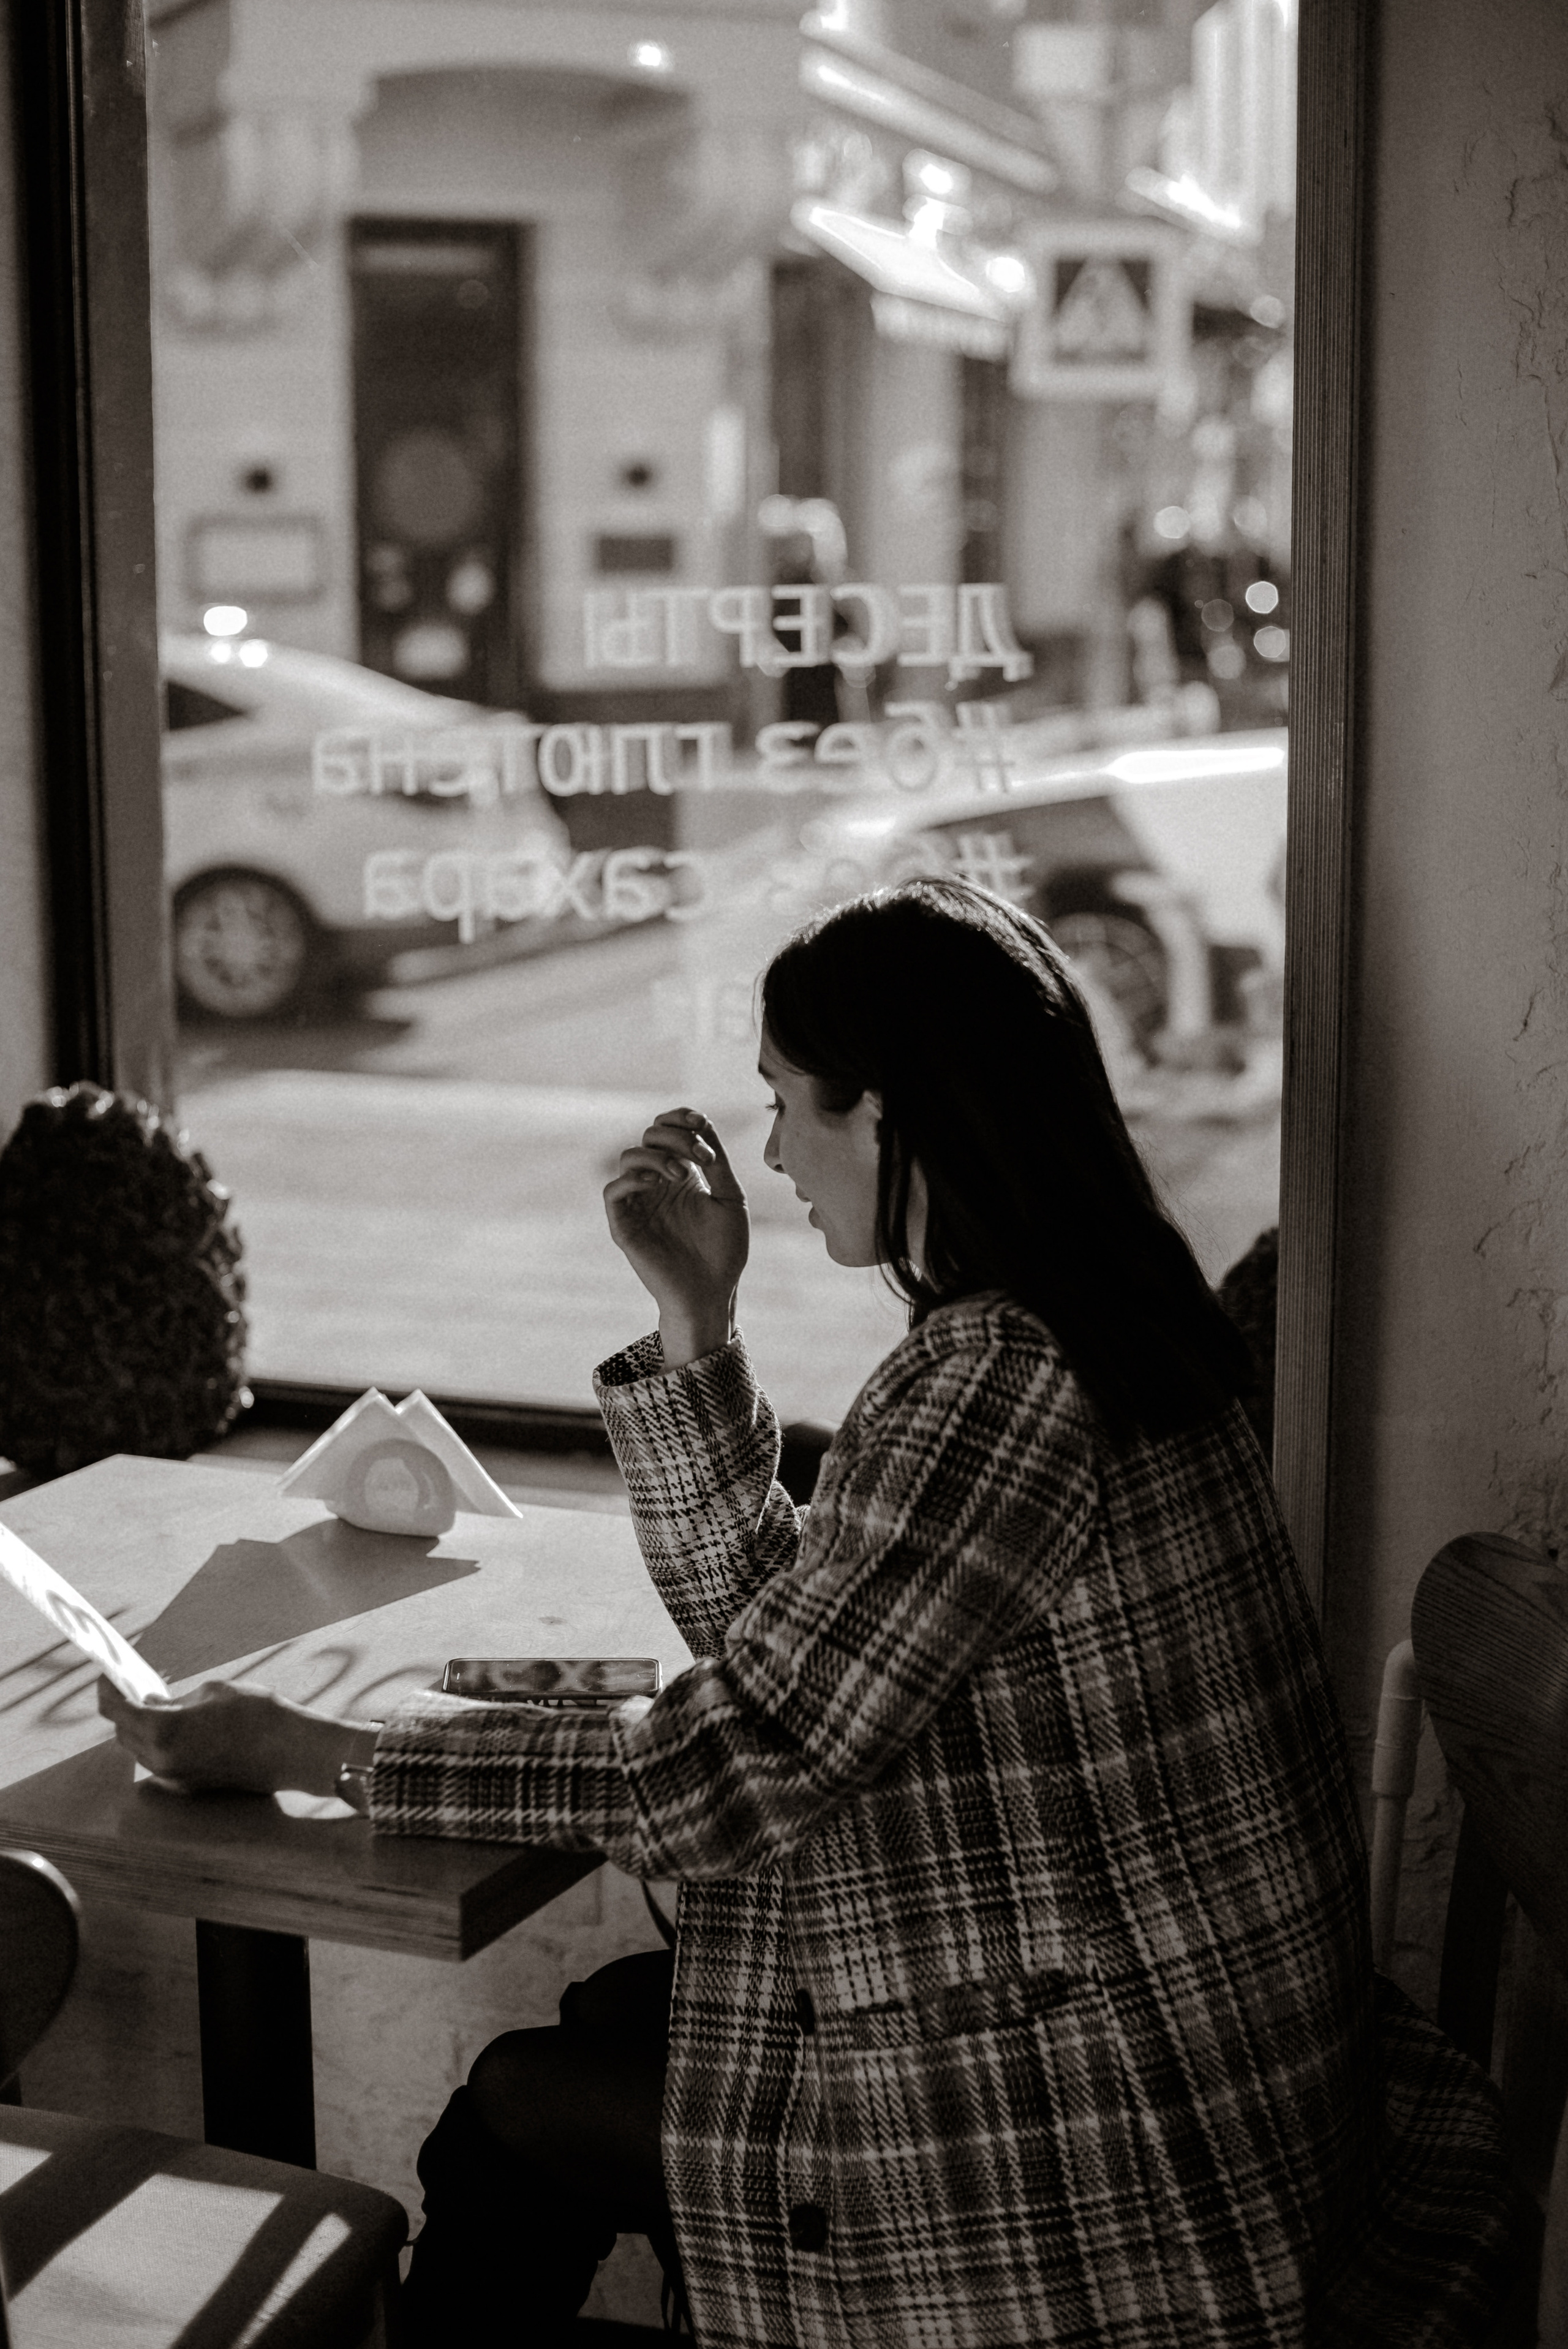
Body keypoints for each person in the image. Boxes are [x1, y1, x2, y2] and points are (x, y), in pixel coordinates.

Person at [102, 878, 1518, 2347]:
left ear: (892, 1112)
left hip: (1134, 2152)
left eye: (786, 1104)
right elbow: (780, 1654)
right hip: (1197, 2061)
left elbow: (718, 1774)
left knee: (521, 2112)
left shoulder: (997, 1382)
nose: (769, 1153)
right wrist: (694, 1325)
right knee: (607, 2027)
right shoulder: (1098, 1313)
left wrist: (303, 1752)